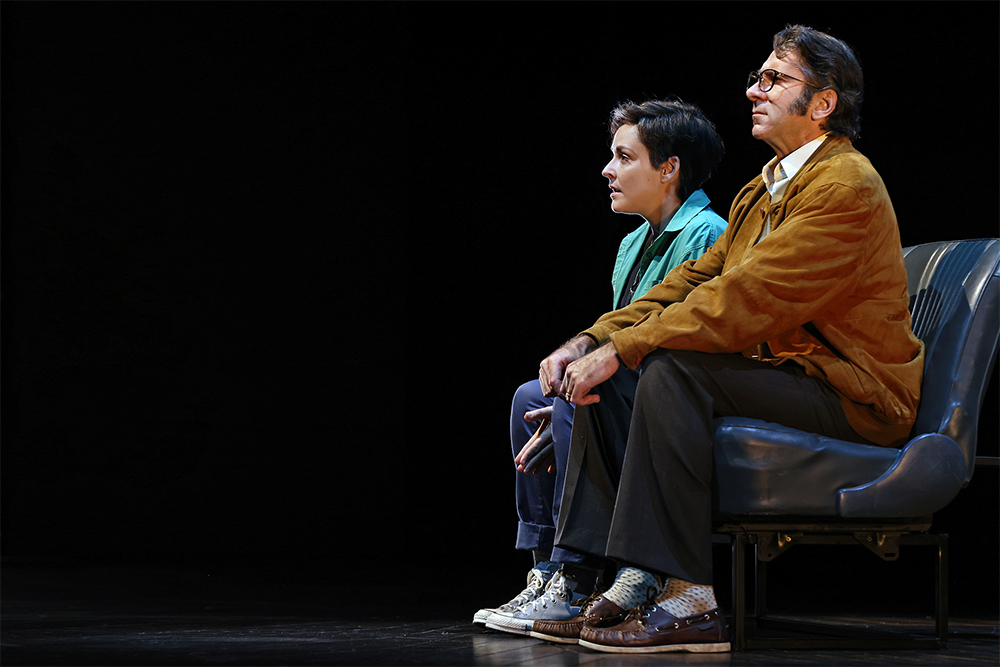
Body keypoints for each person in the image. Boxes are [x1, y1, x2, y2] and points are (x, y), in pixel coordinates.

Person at [529, 24, 924, 654]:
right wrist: (592, 338)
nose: (754, 91)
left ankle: (690, 600)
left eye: (773, 79)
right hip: (797, 375)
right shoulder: (764, 187)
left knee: (671, 368)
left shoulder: (844, 185)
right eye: (755, 78)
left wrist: (625, 348)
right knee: (621, 373)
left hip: (853, 394)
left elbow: (748, 298)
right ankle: (604, 580)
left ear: (822, 103)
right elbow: (697, 278)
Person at [474, 99, 727, 636]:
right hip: (629, 383)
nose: (608, 170)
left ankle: (578, 573)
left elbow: (685, 340)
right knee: (529, 398)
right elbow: (616, 329)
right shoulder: (632, 241)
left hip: (672, 392)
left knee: (576, 394)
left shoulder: (708, 233)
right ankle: (545, 567)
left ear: (668, 168)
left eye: (623, 157)